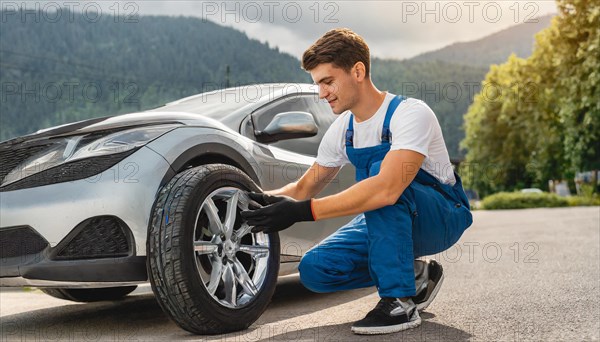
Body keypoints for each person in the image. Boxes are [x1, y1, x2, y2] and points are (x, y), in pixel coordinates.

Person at [241, 28, 473, 335]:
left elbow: (387, 189)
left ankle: (399, 302)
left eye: (328, 81)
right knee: (316, 270)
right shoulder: (342, 130)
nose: (322, 93)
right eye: (318, 84)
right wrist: (251, 203)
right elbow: (302, 189)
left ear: (358, 71)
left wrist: (301, 211)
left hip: (441, 215)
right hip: (388, 216)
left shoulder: (410, 114)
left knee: (382, 181)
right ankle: (415, 275)